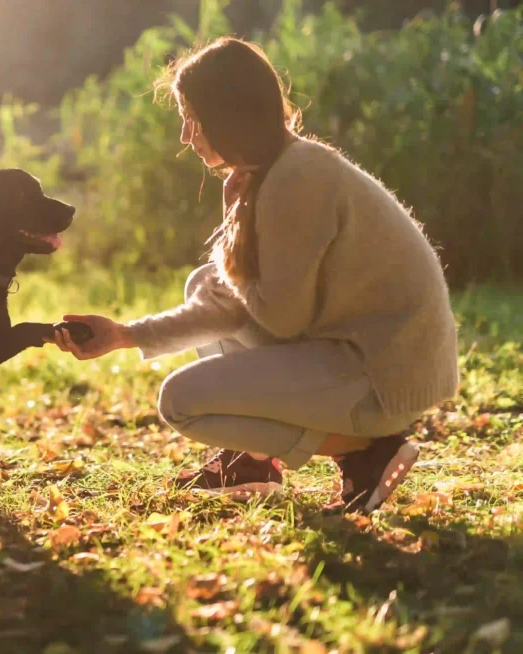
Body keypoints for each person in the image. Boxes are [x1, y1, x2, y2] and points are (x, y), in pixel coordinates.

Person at [51, 37, 459, 514]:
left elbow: (282, 318)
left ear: (228, 115)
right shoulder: (274, 171)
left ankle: (366, 450)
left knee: (180, 401)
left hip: (386, 376)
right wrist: (124, 335)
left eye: (194, 118)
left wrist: (231, 244)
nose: (186, 135)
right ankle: (252, 463)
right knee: (205, 284)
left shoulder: (297, 178)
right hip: (360, 352)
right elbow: (235, 301)